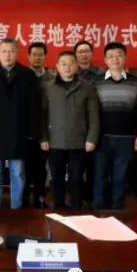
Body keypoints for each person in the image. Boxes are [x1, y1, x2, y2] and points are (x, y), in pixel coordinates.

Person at [0, 38, 39, 209]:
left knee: (18, 173)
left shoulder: (27, 75)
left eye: (11, 51)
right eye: (4, 51)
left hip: (19, 132)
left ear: (17, 53)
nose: (7, 55)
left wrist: (33, 131)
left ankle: (17, 209)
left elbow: (34, 106)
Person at [40, 50, 99, 209]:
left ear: (76, 65)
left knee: (76, 178)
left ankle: (76, 209)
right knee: (56, 178)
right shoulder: (48, 87)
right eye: (63, 64)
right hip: (55, 141)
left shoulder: (87, 88)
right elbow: (42, 115)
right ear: (57, 66)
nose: (67, 67)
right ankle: (59, 207)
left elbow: (93, 115)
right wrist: (43, 137)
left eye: (71, 63)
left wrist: (92, 138)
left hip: (79, 141)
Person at [92, 42, 137, 210]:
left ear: (125, 57)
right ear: (105, 60)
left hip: (125, 137)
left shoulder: (135, 82)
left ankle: (117, 208)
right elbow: (91, 110)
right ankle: (99, 207)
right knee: (100, 174)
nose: (115, 59)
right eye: (110, 56)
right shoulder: (96, 81)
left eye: (119, 55)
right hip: (101, 137)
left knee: (120, 176)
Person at [24, 42, 55, 208]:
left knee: (42, 168)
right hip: (26, 129)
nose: (37, 57)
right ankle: (24, 200)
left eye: (40, 54)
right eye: (34, 54)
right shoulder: (22, 75)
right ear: (28, 56)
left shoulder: (53, 77)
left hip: (46, 129)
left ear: (45, 56)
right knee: (25, 167)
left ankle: (40, 198)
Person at [73, 40, 103, 206]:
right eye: (80, 51)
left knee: (93, 166)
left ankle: (90, 198)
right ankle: (76, 198)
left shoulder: (101, 73)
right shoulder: (70, 72)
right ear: (75, 55)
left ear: (91, 53)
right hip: (75, 125)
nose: (84, 54)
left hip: (94, 124)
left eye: (86, 51)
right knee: (76, 168)